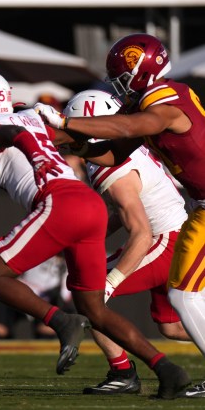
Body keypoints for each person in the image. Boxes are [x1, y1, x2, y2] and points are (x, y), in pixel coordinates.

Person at [0, 68, 190, 399]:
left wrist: (34, 153)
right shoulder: (35, 120)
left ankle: (60, 322)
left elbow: (10, 132)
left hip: (61, 202)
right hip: (88, 206)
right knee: (93, 307)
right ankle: (166, 370)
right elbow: (31, 124)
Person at [35, 33, 205, 398]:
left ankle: (124, 371)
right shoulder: (153, 104)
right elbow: (112, 152)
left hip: (179, 226)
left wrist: (65, 122)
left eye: (122, 79)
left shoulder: (164, 101)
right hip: (196, 213)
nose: (118, 89)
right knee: (179, 317)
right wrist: (58, 137)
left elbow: (126, 129)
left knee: (169, 299)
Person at [61, 89, 191, 395]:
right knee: (171, 327)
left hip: (164, 240)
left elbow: (142, 232)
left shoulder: (113, 168)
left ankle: (122, 372)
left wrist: (110, 282)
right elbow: (126, 212)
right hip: (175, 235)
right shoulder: (123, 149)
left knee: (89, 298)